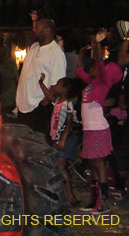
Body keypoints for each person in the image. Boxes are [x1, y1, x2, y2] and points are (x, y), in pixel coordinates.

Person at [76, 29, 129, 214]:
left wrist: (98, 43)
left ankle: (103, 201)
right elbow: (78, 70)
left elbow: (99, 61)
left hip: (98, 128)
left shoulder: (103, 81)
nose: (95, 67)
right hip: (90, 129)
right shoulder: (91, 83)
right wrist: (82, 53)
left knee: (99, 164)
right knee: (92, 164)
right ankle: (94, 200)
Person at [15, 18, 67, 135]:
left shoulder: (56, 53)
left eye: (37, 27)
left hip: (37, 107)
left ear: (47, 30)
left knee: (36, 142)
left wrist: (43, 104)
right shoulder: (34, 47)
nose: (33, 30)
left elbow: (57, 84)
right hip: (23, 106)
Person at [38, 73, 81, 205]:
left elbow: (69, 123)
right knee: (60, 168)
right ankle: (66, 196)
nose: (55, 86)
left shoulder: (67, 104)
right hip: (59, 139)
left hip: (65, 139)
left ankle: (70, 197)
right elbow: (49, 96)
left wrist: (62, 139)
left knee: (62, 168)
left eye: (58, 84)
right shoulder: (58, 102)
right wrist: (41, 83)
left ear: (65, 89)